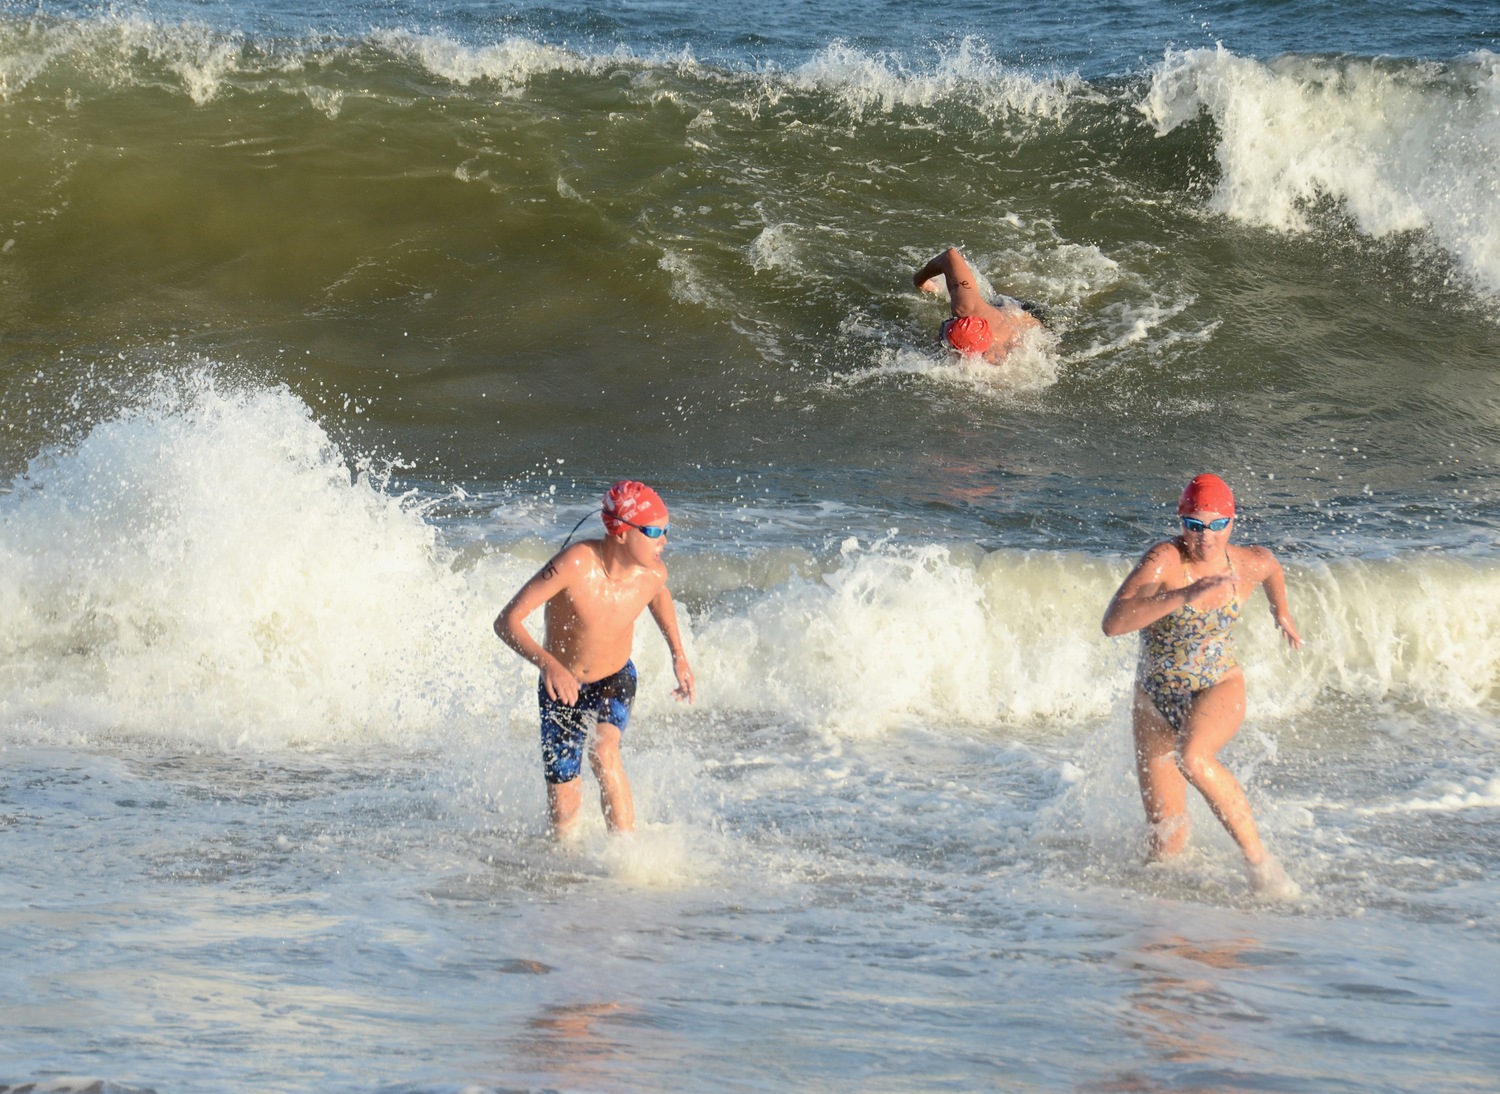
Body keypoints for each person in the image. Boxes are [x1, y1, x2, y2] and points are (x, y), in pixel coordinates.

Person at [1101, 473, 1303, 895]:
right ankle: (1173, 932)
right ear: (1181, 523)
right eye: (1194, 525)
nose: (1205, 536)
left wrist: (1280, 612)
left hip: (1219, 685)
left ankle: (1261, 867)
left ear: (1232, 522)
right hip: (1154, 701)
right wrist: (1182, 597)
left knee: (1193, 757)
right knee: (1164, 845)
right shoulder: (1164, 561)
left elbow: (1271, 567)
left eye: (1216, 525)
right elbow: (1113, 623)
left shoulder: (1245, 562)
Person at [495, 480, 695, 839]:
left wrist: (679, 656)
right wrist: (549, 665)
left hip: (615, 678)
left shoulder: (653, 572)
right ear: (620, 532)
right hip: (561, 689)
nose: (664, 540)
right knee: (563, 816)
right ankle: (567, 876)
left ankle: (625, 855)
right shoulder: (574, 564)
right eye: (653, 531)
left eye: (667, 530)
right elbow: (507, 621)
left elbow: (658, 597)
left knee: (603, 750)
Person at [913, 246, 1044, 363]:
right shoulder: (967, 306)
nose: (937, 338)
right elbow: (950, 255)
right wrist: (920, 281)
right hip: (1010, 311)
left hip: (1031, 320)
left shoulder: (999, 361)